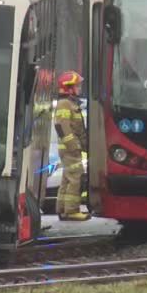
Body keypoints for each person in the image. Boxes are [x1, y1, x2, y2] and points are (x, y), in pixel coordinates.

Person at [54, 70, 89, 221]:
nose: (79, 89)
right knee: (76, 177)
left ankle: (62, 209)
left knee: (67, 179)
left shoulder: (70, 103)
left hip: (70, 148)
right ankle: (72, 211)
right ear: (69, 88)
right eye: (77, 86)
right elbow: (62, 126)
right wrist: (73, 145)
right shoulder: (65, 104)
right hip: (70, 149)